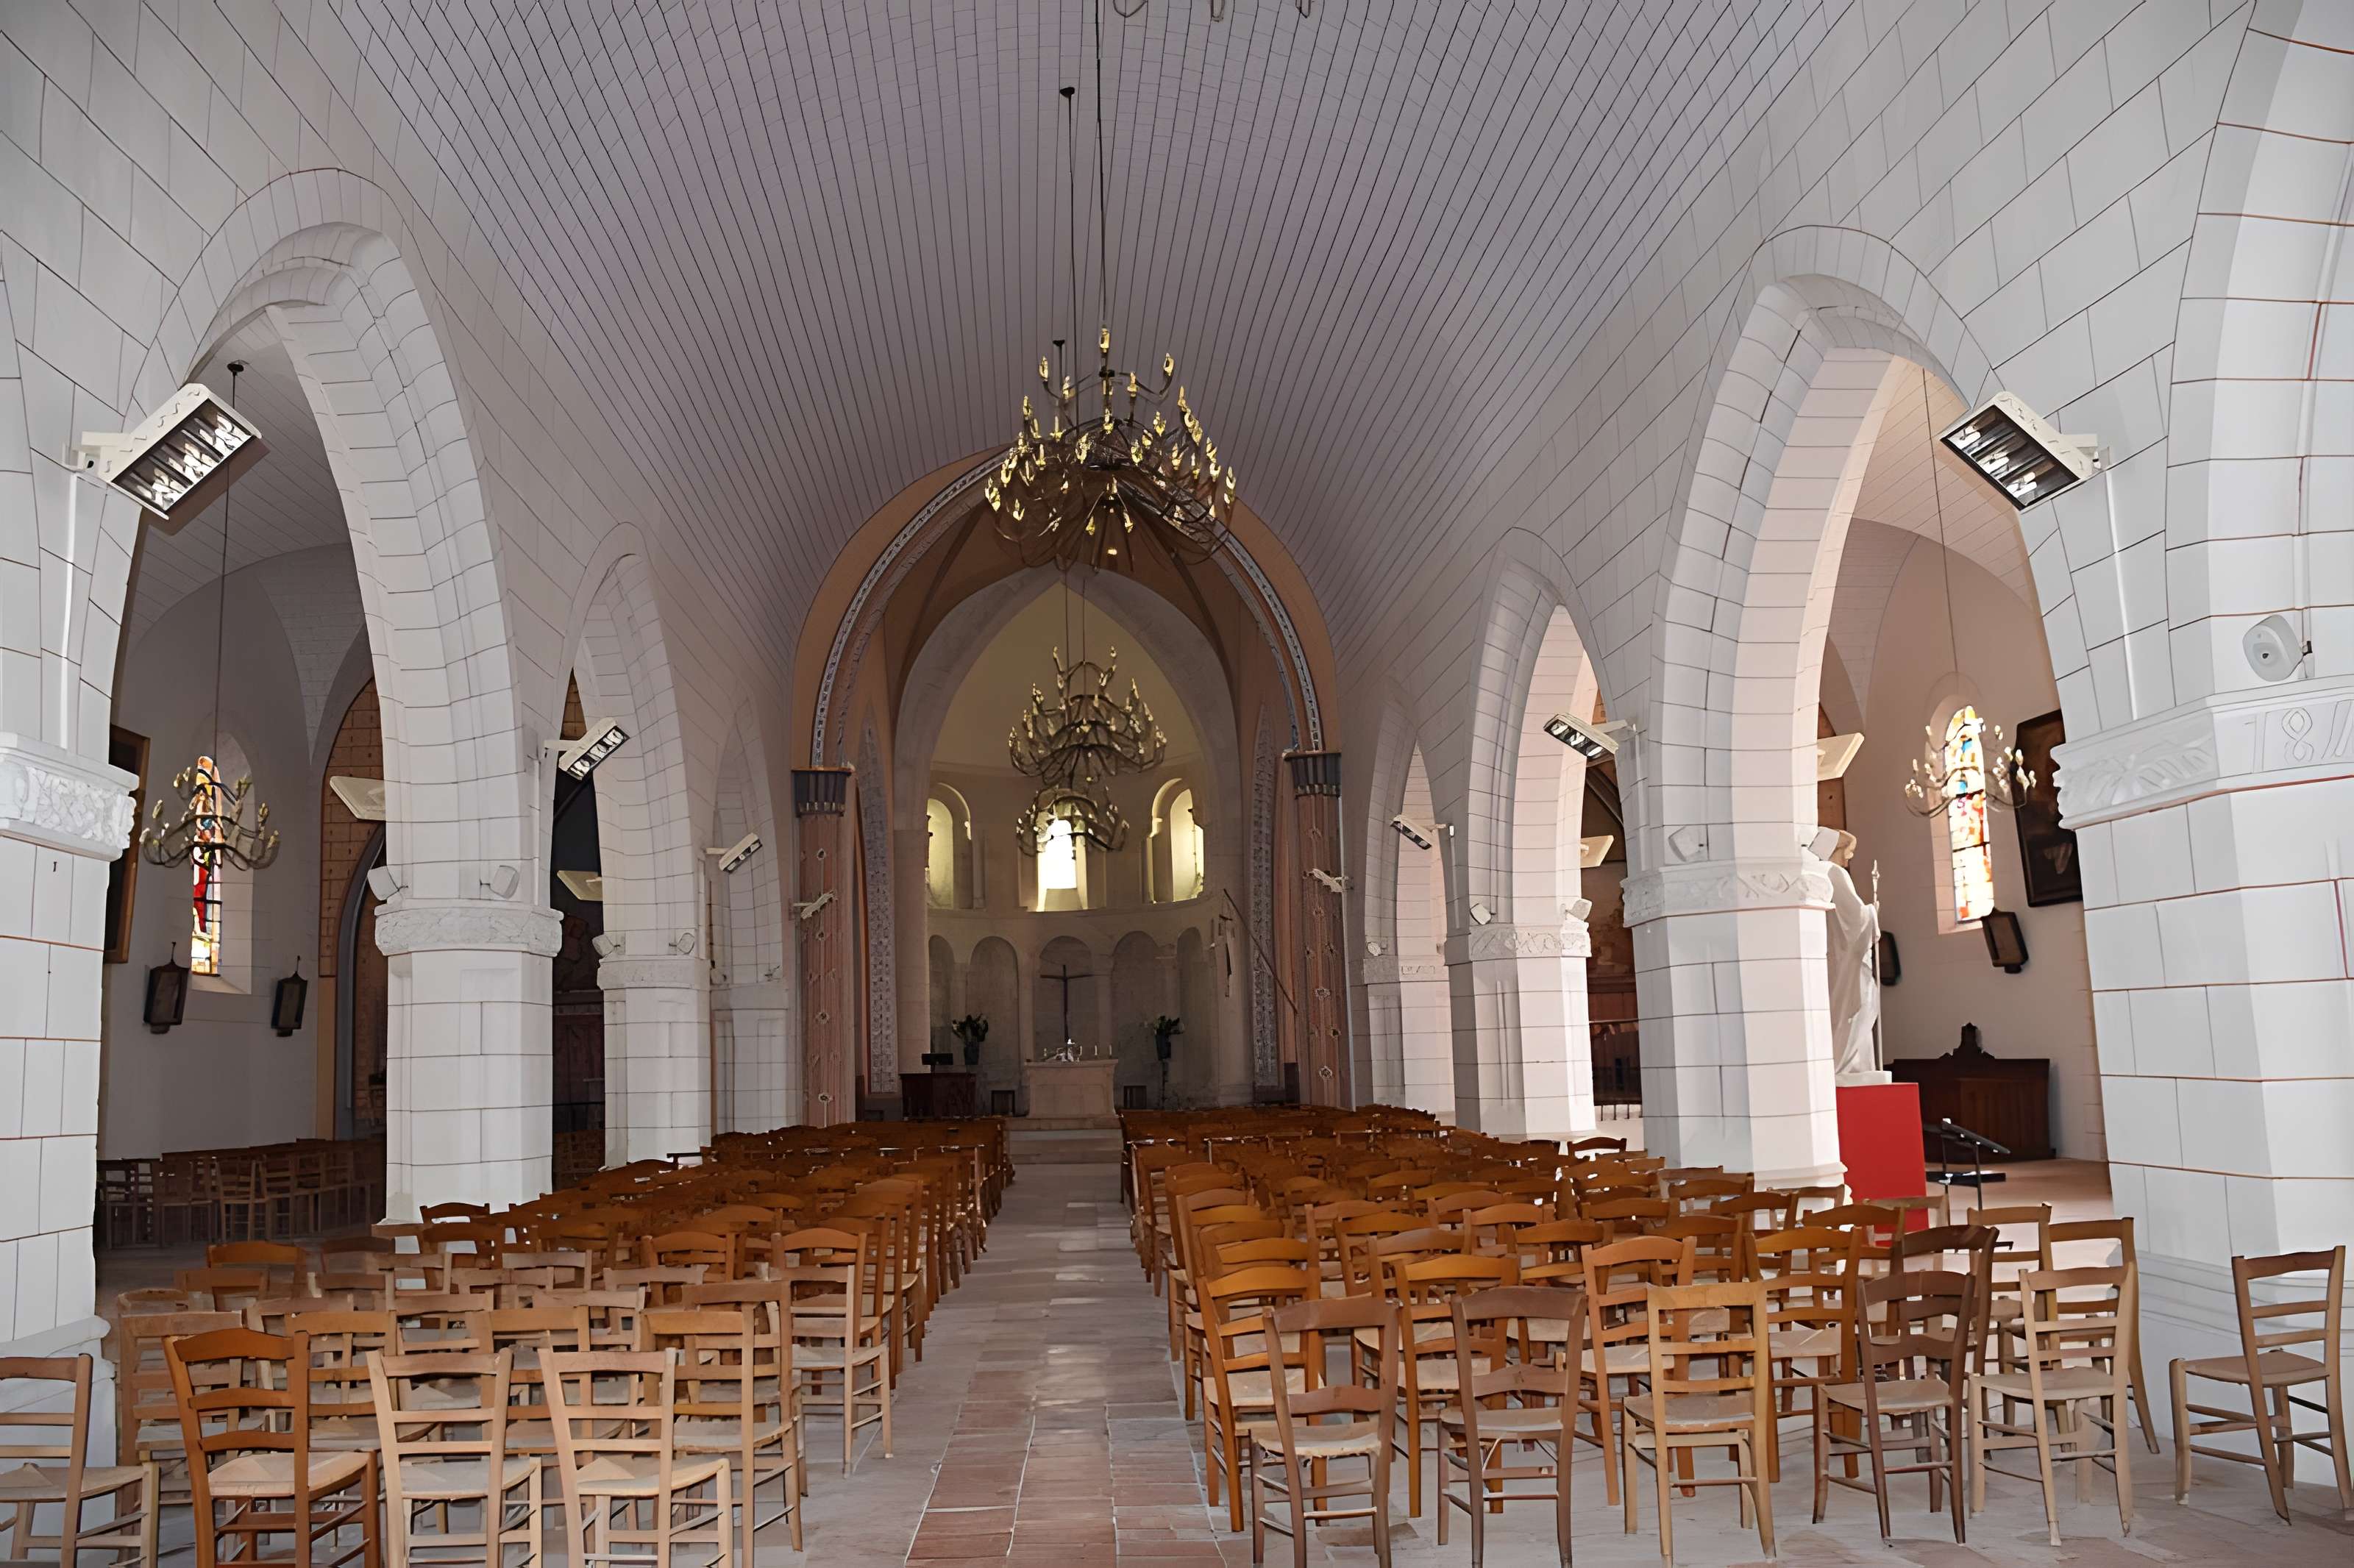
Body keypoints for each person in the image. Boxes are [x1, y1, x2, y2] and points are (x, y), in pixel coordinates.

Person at [1815, 827, 1882, 1081]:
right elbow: (1855, 919)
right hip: (1845, 958)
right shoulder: (1834, 873)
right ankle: (1849, 1065)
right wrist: (1873, 912)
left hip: (1830, 956)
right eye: (1847, 852)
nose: (1848, 859)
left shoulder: (1815, 874)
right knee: (1856, 1011)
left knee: (1836, 1008)